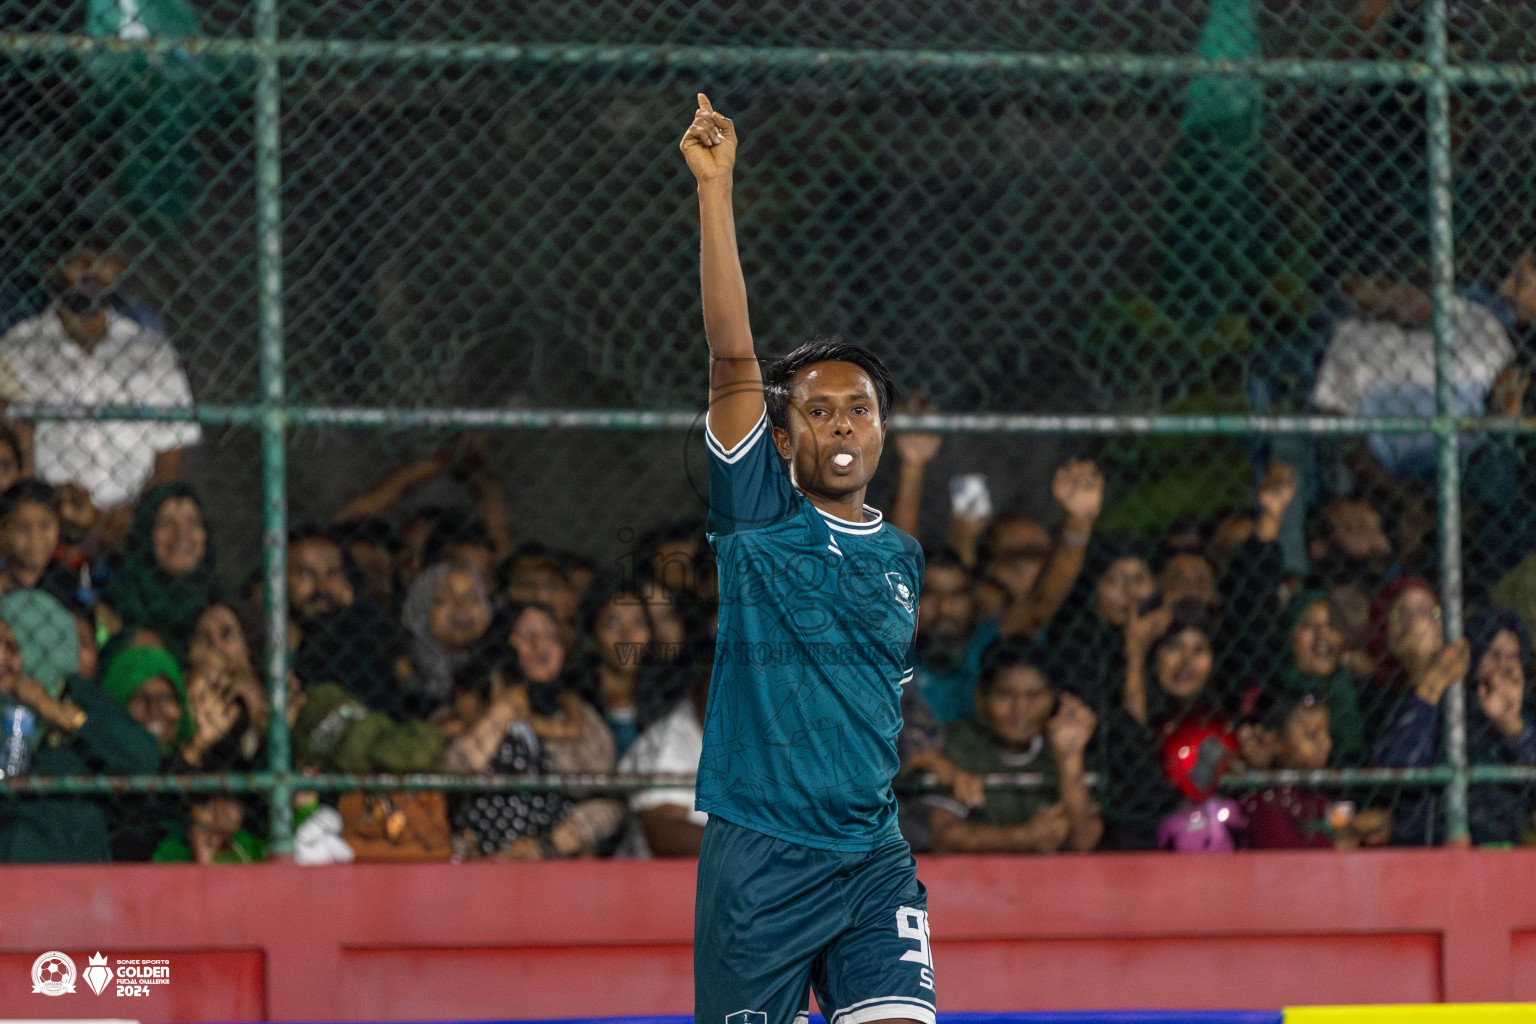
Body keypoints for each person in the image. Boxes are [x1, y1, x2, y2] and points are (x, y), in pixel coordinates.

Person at [682, 94, 936, 1022]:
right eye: (817, 409)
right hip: (761, 864)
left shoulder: (905, 558)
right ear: (782, 438)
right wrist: (717, 190)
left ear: (882, 428)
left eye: (858, 407)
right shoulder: (756, 519)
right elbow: (733, 359)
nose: (839, 422)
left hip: (873, 858)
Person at [0, 234, 199, 516]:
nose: (90, 271)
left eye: (100, 261)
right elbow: (14, 440)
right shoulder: (18, 347)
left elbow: (170, 444)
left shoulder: (148, 347)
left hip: (131, 515)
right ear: (50, 268)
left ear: (118, 267)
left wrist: (141, 513)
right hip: (50, 519)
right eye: (76, 262)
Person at [445, 603, 622, 860]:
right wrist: (504, 711)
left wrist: (547, 846)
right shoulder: (474, 704)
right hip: (480, 856)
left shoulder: (578, 713)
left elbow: (603, 795)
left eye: (550, 636)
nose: (540, 645)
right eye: (527, 635)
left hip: (550, 855)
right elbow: (451, 771)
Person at [0, 605, 158, 862]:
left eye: (12, 646)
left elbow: (142, 759)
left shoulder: (79, 695)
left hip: (76, 864)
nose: (2, 658)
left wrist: (59, 714)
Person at [1373, 606, 1535, 846]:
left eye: (1513, 657)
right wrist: (1434, 683)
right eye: (1493, 654)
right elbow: (1397, 771)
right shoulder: (1437, 710)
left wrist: (1510, 723)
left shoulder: (1525, 725)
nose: (1504, 666)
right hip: (1429, 852)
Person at [927, 641, 1101, 854]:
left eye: (1033, 695)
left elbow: (1084, 839)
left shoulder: (1061, 742)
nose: (1020, 709)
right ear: (981, 698)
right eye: (1005, 695)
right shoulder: (960, 744)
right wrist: (1024, 836)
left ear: (1054, 698)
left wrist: (1069, 758)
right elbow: (943, 835)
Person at [287, 525, 405, 720]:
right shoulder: (279, 648)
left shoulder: (367, 620)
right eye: (306, 574)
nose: (322, 586)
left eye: (332, 573)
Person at [99, 482, 220, 661]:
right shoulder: (118, 600)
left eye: (192, 522)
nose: (180, 534)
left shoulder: (218, 601)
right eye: (166, 523)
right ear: (146, 533)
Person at [617, 677, 709, 857]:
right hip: (652, 878)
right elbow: (664, 832)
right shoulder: (674, 737)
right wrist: (749, 850)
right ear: (696, 693)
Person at [398, 560, 493, 718]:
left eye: (472, 598)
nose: (462, 607)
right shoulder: (406, 663)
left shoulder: (497, 662)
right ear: (422, 609)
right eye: (445, 599)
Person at [0, 479, 78, 604]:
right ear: (4, 531)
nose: (35, 538)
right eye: (23, 528)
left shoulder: (68, 583)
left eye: (45, 526)